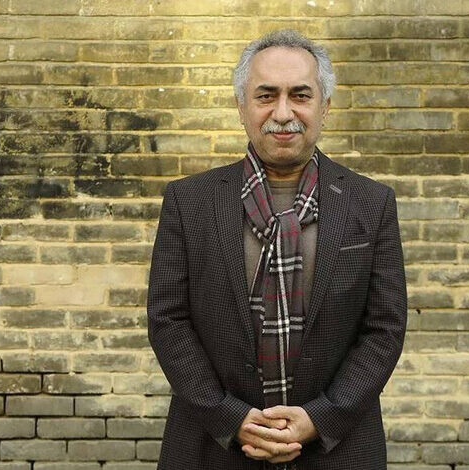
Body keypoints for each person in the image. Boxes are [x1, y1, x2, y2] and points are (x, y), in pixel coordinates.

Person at [147, 29, 407, 470]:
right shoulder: (189, 202)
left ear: (325, 106)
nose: (283, 113)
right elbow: (168, 321)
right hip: (212, 448)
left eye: (300, 95)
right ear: (241, 105)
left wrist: (321, 418)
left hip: (338, 450)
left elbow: (384, 328)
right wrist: (230, 418)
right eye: (266, 95)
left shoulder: (371, 203)